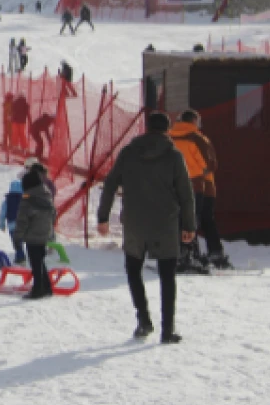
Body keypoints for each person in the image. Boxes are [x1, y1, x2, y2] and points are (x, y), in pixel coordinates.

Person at [97, 112, 195, 343]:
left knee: (133, 270)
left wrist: (103, 217)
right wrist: (189, 225)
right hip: (166, 222)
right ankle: (167, 330)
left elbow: (110, 183)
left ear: (146, 128)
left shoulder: (128, 153)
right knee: (167, 276)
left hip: (134, 222)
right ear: (167, 130)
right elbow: (186, 193)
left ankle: (143, 320)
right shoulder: (173, 156)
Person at [169, 110, 231, 270]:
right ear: (194, 121)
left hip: (174, 185)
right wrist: (198, 174)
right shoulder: (197, 138)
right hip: (201, 185)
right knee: (202, 219)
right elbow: (210, 164)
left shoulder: (168, 137)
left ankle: (185, 252)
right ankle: (209, 253)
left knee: (182, 218)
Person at [15, 168, 56, 299]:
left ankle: (38, 289)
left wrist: (17, 237)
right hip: (44, 234)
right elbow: (53, 214)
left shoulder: (27, 200)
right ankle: (47, 286)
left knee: (35, 263)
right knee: (40, 261)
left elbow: (22, 220)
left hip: (32, 236)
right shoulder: (47, 195)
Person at [0, 179, 27, 263]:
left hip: (12, 225)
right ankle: (22, 256)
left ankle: (20, 257)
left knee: (17, 242)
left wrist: (2, 225)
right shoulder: (25, 200)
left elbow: (2, 214)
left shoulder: (7, 201)